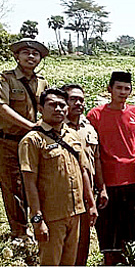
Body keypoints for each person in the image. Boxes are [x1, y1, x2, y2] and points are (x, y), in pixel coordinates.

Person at [19, 88, 98, 265]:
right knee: (50, 262)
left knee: (70, 261)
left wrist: (91, 204)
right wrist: (37, 219)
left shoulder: (72, 135)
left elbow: (83, 170)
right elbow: (29, 182)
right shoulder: (32, 140)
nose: (58, 109)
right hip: (52, 216)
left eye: (62, 105)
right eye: (52, 105)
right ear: (40, 108)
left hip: (76, 212)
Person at [86, 71, 135, 265]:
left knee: (134, 225)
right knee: (109, 226)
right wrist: (99, 184)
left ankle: (132, 259)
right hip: (109, 178)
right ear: (109, 89)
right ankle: (110, 260)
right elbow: (93, 151)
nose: (122, 92)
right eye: (118, 88)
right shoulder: (95, 115)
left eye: (126, 89)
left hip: (134, 176)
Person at [0, 38, 49, 245]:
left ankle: (38, 223)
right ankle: (19, 232)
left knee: (35, 182)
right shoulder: (6, 79)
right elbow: (2, 107)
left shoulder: (42, 82)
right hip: (9, 141)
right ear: (16, 57)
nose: (31, 57)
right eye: (26, 53)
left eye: (35, 54)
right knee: (13, 186)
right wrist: (30, 127)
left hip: (33, 142)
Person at [62, 83, 99, 266]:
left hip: (88, 193)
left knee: (83, 241)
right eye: (73, 99)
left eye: (81, 100)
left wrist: (102, 189)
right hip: (65, 195)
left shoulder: (89, 128)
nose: (78, 103)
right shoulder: (56, 130)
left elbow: (96, 160)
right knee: (65, 243)